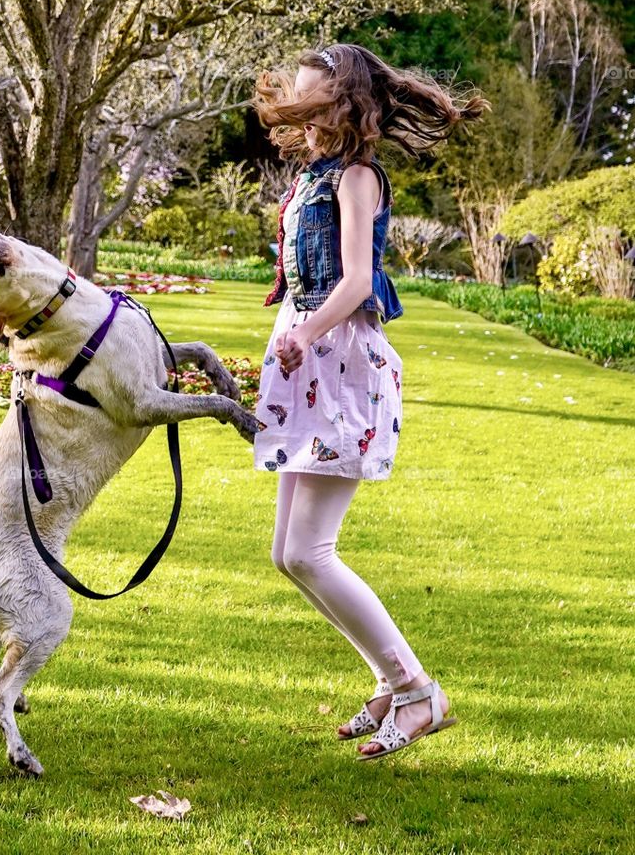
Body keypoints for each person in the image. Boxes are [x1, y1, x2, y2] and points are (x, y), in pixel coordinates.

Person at [251, 42, 488, 759]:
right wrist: (291, 334)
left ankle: (417, 691)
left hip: (339, 362)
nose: (300, 115)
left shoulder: (357, 179)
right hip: (308, 357)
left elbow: (356, 282)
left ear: (344, 105)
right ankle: (394, 682)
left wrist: (307, 333)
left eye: (312, 103)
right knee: (289, 554)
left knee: (311, 551)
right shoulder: (312, 177)